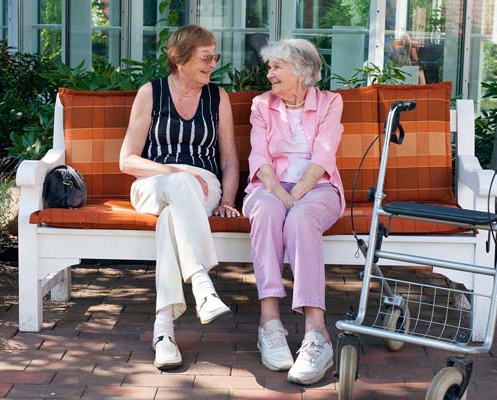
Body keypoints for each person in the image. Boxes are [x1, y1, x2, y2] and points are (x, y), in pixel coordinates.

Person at [119, 24, 240, 371]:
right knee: (180, 187)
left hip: (203, 187)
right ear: (181, 58)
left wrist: (227, 200)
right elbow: (127, 160)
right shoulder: (150, 93)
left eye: (215, 56)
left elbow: (229, 159)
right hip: (153, 182)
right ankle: (202, 284)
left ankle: (164, 332)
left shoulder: (218, 97)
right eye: (207, 57)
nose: (213, 63)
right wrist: (175, 173)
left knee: (172, 220)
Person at [242, 38, 345, 385]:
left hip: (318, 188)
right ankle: (269, 324)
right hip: (268, 188)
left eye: (276, 67)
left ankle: (317, 335)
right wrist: (281, 196)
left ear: (301, 73)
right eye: (270, 67)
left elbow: (323, 157)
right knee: (268, 213)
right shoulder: (261, 105)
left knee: (301, 219)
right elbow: (260, 158)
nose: (269, 74)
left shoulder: (331, 103)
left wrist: (296, 197)